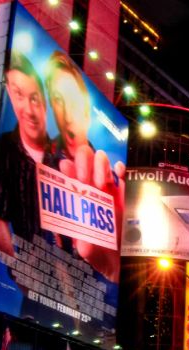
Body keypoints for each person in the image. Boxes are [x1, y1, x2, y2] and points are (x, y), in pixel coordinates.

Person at [44, 51, 125, 280]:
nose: (67, 112)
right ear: (52, 106)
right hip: (31, 305)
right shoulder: (37, 162)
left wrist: (117, 270)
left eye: (72, 99)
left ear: (86, 111)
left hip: (96, 307)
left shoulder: (110, 185)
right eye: (58, 99)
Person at [0, 51, 52, 258]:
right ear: (9, 94)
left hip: (73, 283)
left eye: (34, 98)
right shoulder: (5, 149)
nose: (29, 109)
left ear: (44, 102)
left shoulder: (61, 156)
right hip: (24, 283)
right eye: (19, 96)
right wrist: (15, 269)